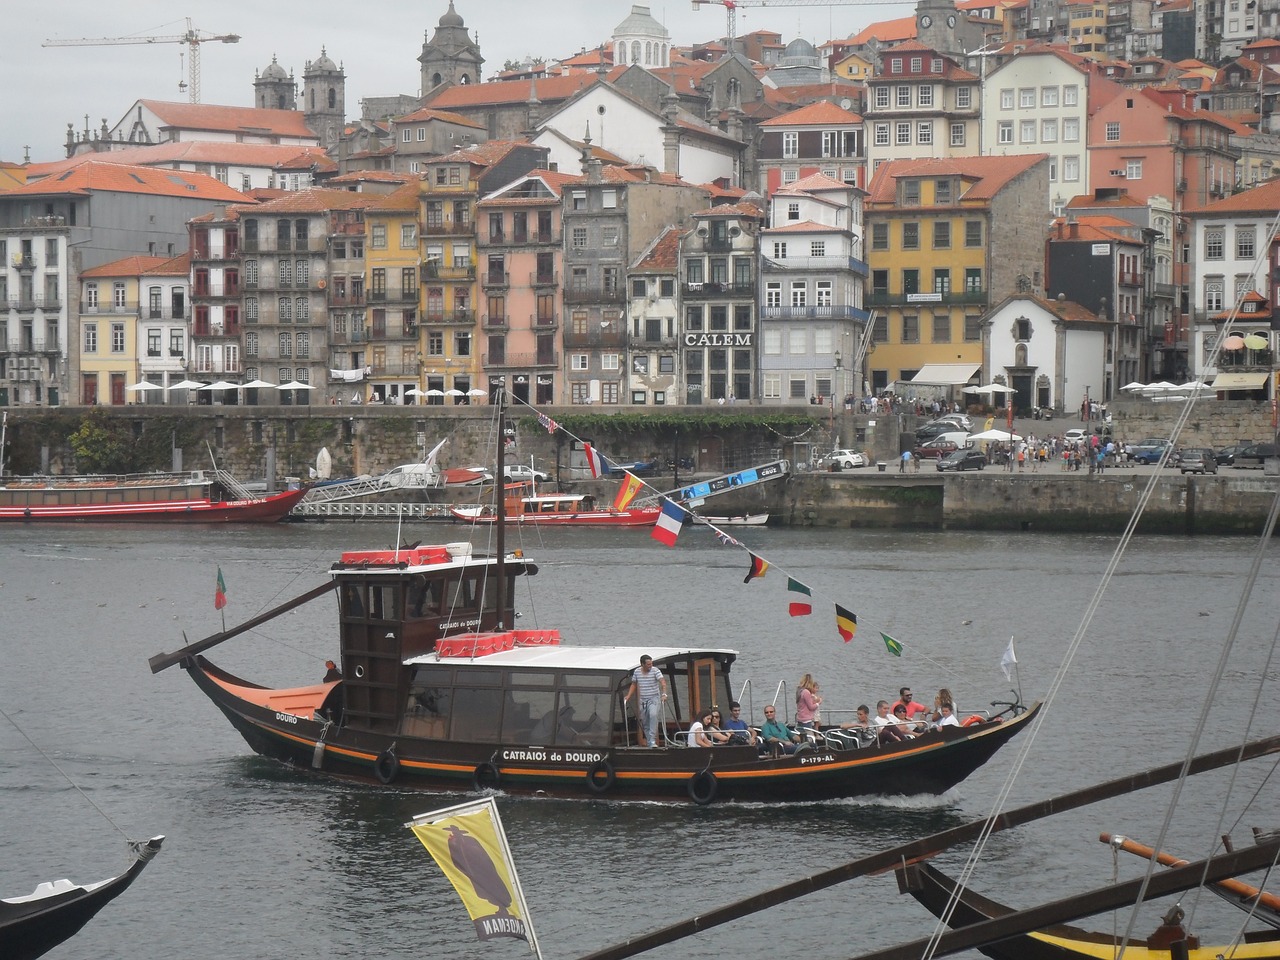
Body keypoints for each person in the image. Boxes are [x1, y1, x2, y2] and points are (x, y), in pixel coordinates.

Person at [623, 654, 667, 748]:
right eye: (648, 664)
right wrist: (628, 696)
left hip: (654, 698)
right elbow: (634, 684)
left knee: (653, 715)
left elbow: (662, 682)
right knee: (645, 721)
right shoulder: (637, 672)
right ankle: (650, 741)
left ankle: (652, 740)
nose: (650, 666)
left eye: (651, 664)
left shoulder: (655, 671)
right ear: (642, 664)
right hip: (643, 699)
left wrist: (664, 694)